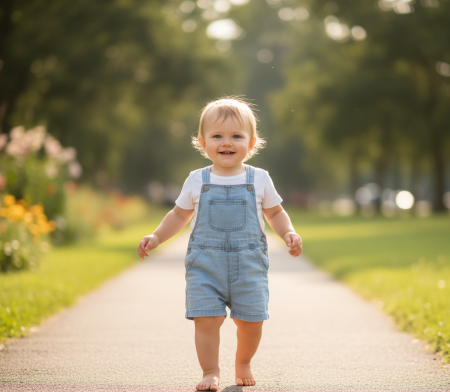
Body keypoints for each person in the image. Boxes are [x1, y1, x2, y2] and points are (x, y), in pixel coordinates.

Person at [137, 97, 302, 391]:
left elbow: (275, 212)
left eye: (237, 136)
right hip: (205, 265)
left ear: (251, 143)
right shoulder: (197, 180)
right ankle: (211, 370)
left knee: (251, 322)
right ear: (202, 142)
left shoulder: (260, 179)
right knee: (206, 320)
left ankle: (244, 362)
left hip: (249, 266)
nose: (227, 143)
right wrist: (157, 236)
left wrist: (288, 232)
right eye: (217, 136)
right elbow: (179, 214)